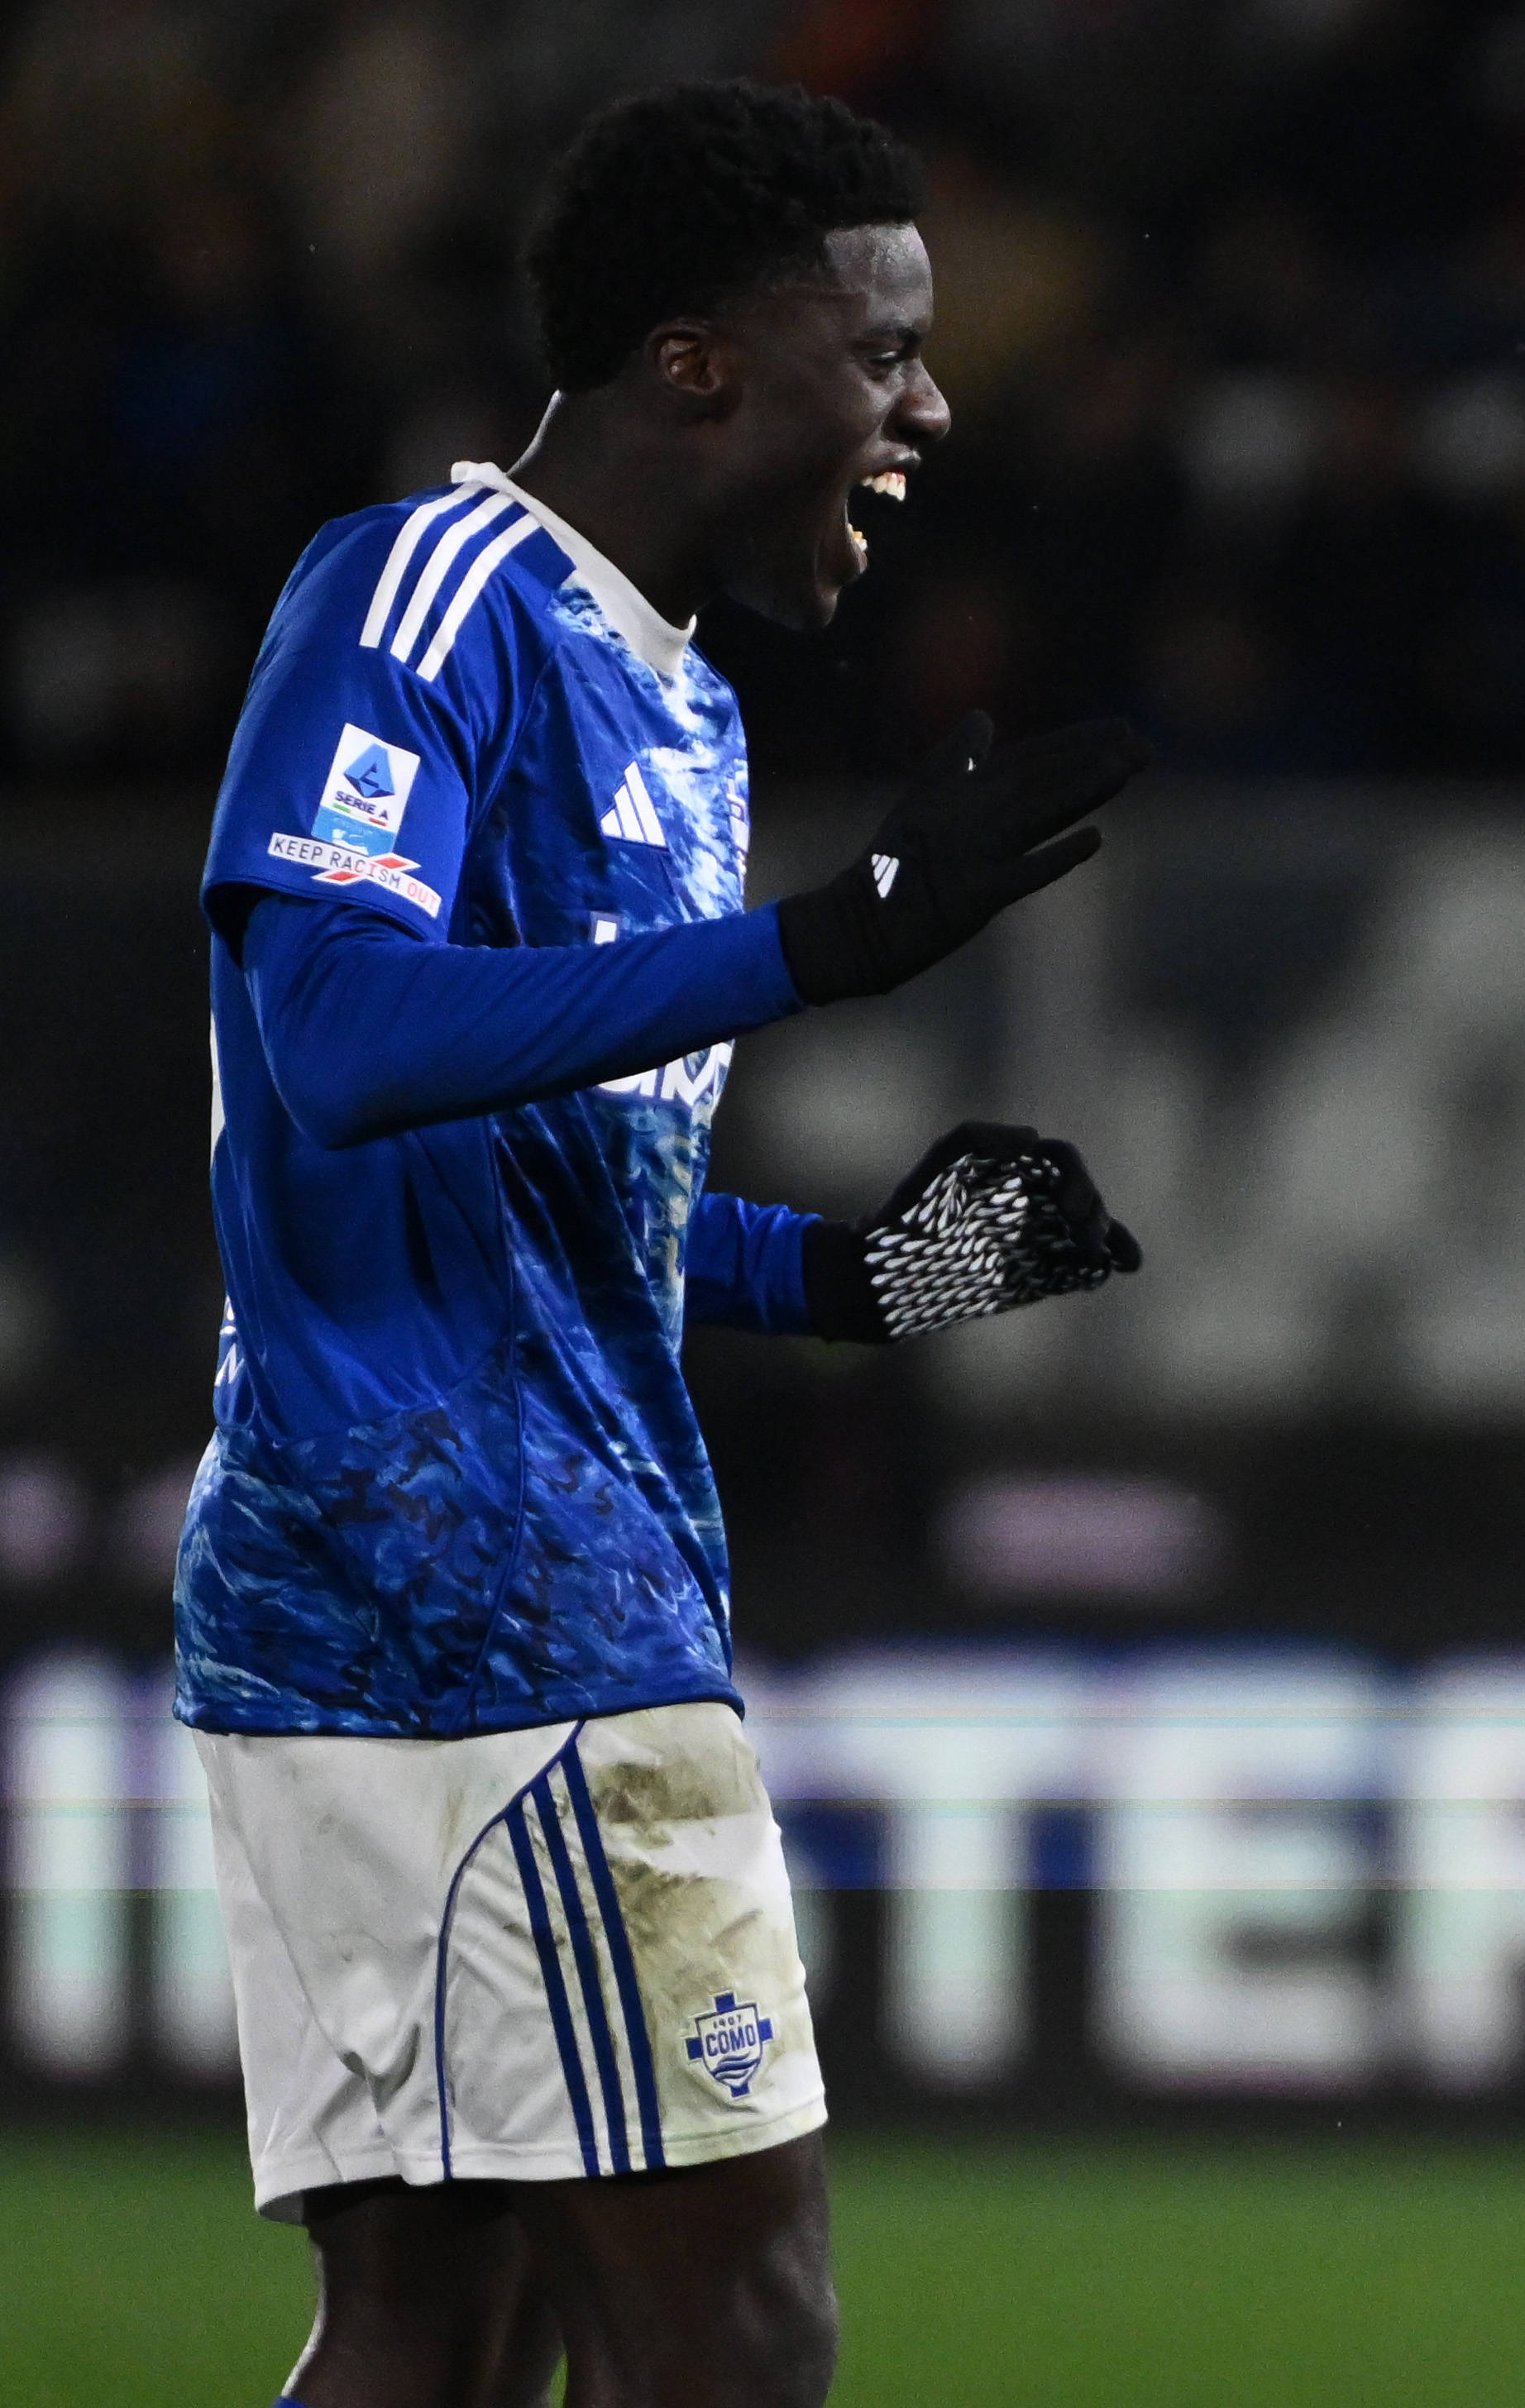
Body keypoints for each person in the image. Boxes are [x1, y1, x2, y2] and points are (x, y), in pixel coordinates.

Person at [178, 80, 1151, 2408]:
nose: (928, 408)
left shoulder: (685, 705)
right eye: (881, 352)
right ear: (700, 363)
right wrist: (825, 945)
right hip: (491, 1619)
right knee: (734, 2335)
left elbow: (546, 1181)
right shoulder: (429, 594)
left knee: (434, 2338)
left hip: (404, 1604)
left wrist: (849, 1279)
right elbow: (332, 1035)